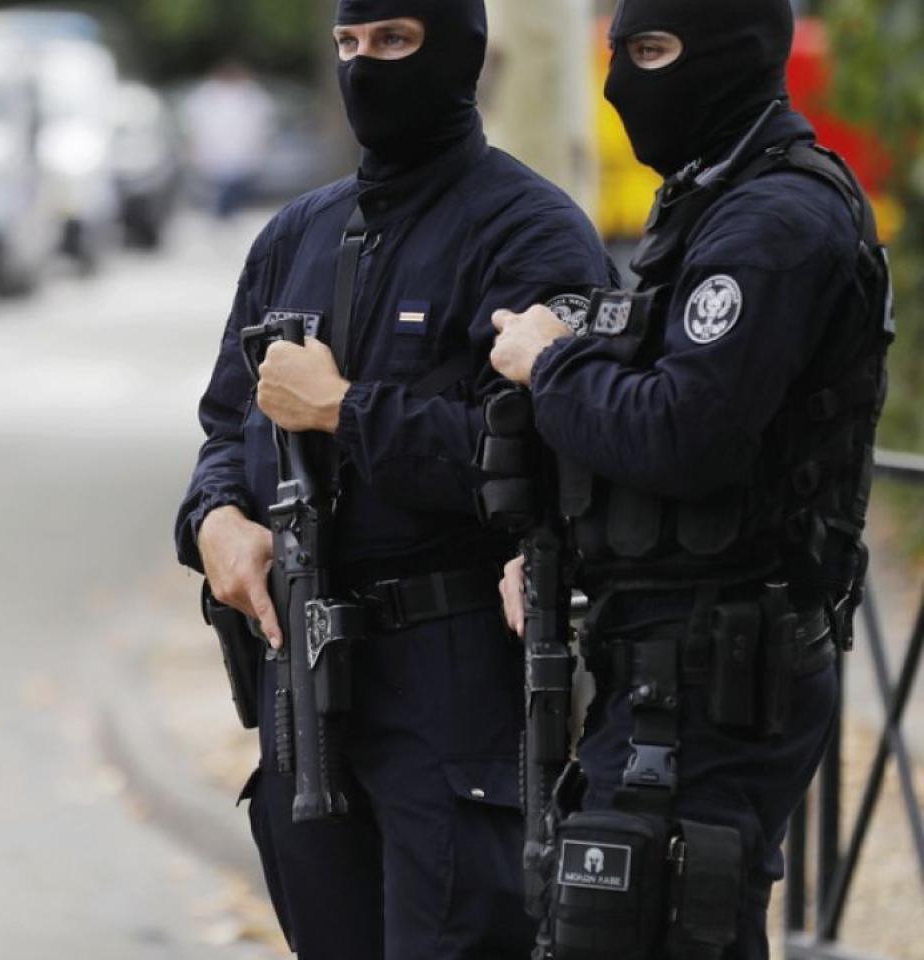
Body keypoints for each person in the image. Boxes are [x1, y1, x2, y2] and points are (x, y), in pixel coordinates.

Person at [172, 0, 614, 956]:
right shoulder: (296, 234)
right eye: (348, 43)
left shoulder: (530, 234)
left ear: (457, 51)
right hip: (305, 688)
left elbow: (555, 454)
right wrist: (215, 519)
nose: (364, 66)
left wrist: (345, 409)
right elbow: (225, 426)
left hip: (451, 686)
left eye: (394, 41)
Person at [490, 1, 892, 956]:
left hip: (713, 673)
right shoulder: (717, 195)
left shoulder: (772, 224)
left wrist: (550, 364)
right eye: (620, 51)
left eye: (654, 50)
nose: (623, 82)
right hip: (677, 660)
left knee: (646, 922)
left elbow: (685, 434)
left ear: (734, 54)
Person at [180, 59, 275, 219]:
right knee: (221, 193)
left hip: (241, 155)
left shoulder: (252, 95)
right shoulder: (205, 96)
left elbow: (263, 125)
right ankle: (223, 216)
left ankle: (226, 215)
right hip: (214, 155)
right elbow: (193, 125)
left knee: (235, 193)